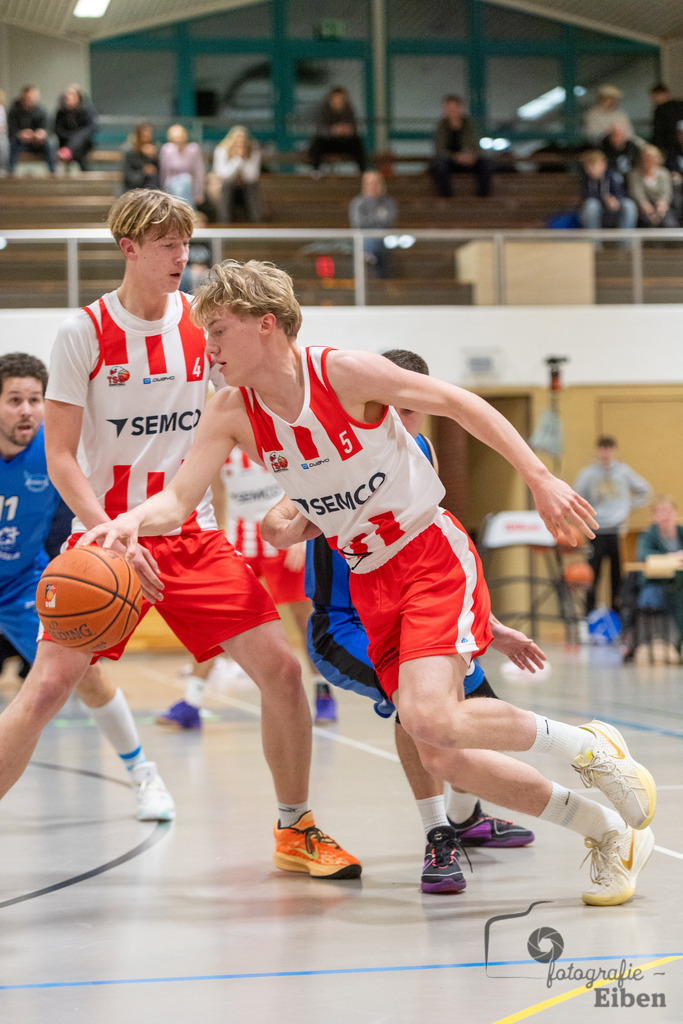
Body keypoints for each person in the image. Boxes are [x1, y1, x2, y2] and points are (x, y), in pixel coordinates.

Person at [83, 259, 657, 908]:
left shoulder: (343, 372)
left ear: (264, 325)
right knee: (439, 753)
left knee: (426, 716)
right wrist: (124, 523)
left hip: (428, 555)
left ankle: (588, 746)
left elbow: (459, 402)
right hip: (369, 580)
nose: (206, 346)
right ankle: (604, 831)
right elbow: (178, 500)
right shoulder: (229, 411)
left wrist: (539, 477)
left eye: (217, 329)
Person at [0, 191, 357, 881]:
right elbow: (62, 457)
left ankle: (295, 830)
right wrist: (113, 531)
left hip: (189, 533)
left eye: (186, 244)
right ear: (128, 247)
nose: (181, 257)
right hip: (106, 540)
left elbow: (250, 414)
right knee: (44, 692)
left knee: (282, 672)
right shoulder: (84, 333)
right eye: (166, 244)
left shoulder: (203, 330)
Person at [283, 348, 537, 894]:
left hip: (406, 610)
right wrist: (283, 524)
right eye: (396, 404)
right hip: (345, 622)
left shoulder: (419, 450)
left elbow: (441, 553)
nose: (405, 416)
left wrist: (489, 628)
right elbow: (288, 514)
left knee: (475, 698)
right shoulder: (333, 450)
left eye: (414, 407)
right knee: (414, 702)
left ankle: (466, 818)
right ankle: (437, 833)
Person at [0, 351, 174, 821]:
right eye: (14, 400)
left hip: (22, 584)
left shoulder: (54, 452)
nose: (27, 411)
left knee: (84, 675)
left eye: (35, 400)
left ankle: (143, 774)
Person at [157, 446, 338, 728]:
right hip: (240, 538)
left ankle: (324, 696)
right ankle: (192, 701)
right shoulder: (222, 439)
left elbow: (307, 479)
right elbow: (216, 497)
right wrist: (216, 538)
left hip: (283, 536)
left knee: (305, 622)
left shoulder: (274, 432)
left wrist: (304, 532)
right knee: (219, 618)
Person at [573, 436, 651, 616]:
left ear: (614, 451)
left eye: (609, 448)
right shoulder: (588, 474)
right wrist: (585, 514)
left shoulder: (623, 472)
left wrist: (627, 507)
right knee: (593, 575)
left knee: (618, 576)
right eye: (602, 448)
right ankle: (589, 614)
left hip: (618, 530)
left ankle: (618, 616)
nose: (606, 452)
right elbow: (576, 496)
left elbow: (644, 489)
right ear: (597, 451)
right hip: (596, 530)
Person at [634, 495, 683, 666]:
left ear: (676, 513)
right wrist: (671, 557)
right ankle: (674, 645)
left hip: (679, 584)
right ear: (654, 517)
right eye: (661, 513)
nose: (665, 516)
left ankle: (678, 645)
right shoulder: (648, 536)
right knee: (670, 598)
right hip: (656, 585)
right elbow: (644, 556)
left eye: (668, 511)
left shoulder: (681, 532)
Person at [429, 94, 493, 199]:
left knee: (486, 164)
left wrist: (470, 156)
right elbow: (439, 150)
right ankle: (446, 199)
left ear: (460, 108)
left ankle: (483, 199)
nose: (451, 111)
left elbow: (477, 146)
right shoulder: (440, 127)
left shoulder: (471, 125)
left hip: (469, 160)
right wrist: (455, 157)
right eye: (448, 108)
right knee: (439, 165)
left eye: (453, 108)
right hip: (449, 162)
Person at [348, 170, 398, 280]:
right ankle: (373, 259)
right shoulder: (358, 202)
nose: (372, 186)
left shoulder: (388, 202)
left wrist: (373, 223)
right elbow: (359, 223)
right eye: (369, 183)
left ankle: (369, 256)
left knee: (378, 237)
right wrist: (377, 221)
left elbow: (388, 222)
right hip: (363, 239)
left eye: (376, 183)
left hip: (386, 240)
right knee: (370, 239)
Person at [308, 87, 367, 175]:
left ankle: (362, 171)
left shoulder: (349, 109)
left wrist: (346, 130)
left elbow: (354, 127)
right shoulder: (323, 110)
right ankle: (315, 170)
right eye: (336, 98)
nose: (339, 100)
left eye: (341, 98)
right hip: (328, 142)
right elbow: (320, 129)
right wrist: (333, 130)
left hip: (344, 142)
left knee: (357, 142)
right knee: (317, 143)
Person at [578, 150, 637, 235]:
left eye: (593, 165)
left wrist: (615, 200)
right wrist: (604, 199)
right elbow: (586, 197)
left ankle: (625, 245)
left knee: (629, 205)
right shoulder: (586, 179)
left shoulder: (613, 176)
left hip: (614, 211)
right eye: (587, 166)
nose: (590, 169)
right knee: (591, 205)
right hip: (596, 212)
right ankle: (595, 244)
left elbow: (621, 193)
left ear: (603, 165)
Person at [211, 126, 262, 223]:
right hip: (226, 186)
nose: (240, 142)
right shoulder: (221, 150)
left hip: (246, 187)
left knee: (251, 187)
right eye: (237, 138)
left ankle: (258, 222)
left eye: (243, 139)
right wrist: (236, 160)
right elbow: (222, 174)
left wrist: (243, 159)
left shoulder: (253, 150)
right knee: (227, 186)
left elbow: (252, 176)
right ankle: (224, 222)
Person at [7, 85, 56, 175]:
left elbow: (48, 129)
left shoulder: (41, 110)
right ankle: (11, 172)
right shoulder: (14, 110)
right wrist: (20, 135)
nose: (33, 100)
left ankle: (52, 172)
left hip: (37, 143)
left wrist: (41, 133)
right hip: (20, 143)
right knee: (11, 143)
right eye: (31, 97)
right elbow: (11, 131)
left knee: (50, 143)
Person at [629, 144, 678, 227]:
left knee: (669, 222)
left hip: (661, 205)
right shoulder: (635, 174)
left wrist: (662, 205)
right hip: (643, 207)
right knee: (648, 222)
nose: (649, 161)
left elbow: (666, 192)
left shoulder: (664, 173)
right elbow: (637, 194)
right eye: (646, 158)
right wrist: (646, 207)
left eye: (652, 158)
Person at [159, 124, 205, 210]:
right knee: (180, 185)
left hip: (190, 184)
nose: (178, 139)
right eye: (176, 137)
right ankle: (185, 210)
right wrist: (163, 192)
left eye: (180, 136)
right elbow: (164, 172)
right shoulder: (166, 149)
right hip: (171, 184)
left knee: (185, 180)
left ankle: (180, 210)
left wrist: (199, 193)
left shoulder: (193, 148)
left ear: (185, 136)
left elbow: (199, 172)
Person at [53, 84, 97, 172]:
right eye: (67, 96)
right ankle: (68, 152)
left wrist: (76, 138)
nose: (68, 98)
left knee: (79, 143)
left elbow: (91, 128)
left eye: (71, 96)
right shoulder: (61, 113)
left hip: (83, 144)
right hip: (65, 142)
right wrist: (72, 138)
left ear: (78, 97)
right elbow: (58, 130)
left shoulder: (87, 110)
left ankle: (68, 152)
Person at [122, 122, 160, 192]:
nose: (147, 136)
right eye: (144, 134)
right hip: (134, 189)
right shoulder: (130, 152)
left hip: (152, 189)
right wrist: (143, 171)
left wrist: (154, 157)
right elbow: (128, 177)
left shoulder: (156, 150)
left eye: (150, 133)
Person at [649, 83, 683, 160]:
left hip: (667, 149)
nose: (653, 100)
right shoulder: (680, 105)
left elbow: (658, 132)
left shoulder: (660, 110)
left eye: (654, 97)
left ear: (662, 94)